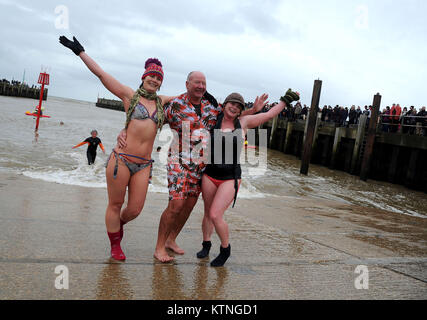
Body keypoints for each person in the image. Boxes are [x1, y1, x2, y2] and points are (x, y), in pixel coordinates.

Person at [118, 72, 267, 262]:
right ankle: (159, 247)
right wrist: (125, 129)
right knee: (176, 204)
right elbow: (150, 123)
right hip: (178, 162)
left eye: (203, 83)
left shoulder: (210, 108)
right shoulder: (175, 105)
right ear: (187, 84)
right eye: (197, 82)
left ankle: (171, 239)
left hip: (200, 166)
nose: (201, 86)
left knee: (189, 205)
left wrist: (253, 109)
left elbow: (232, 117)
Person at [59, 35, 176, 261]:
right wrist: (80, 52)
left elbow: (191, 96)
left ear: (161, 81)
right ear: (144, 77)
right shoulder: (129, 95)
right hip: (121, 160)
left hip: (143, 165)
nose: (154, 79)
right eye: (151, 75)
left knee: (134, 210)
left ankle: (117, 225)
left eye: (158, 77)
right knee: (114, 204)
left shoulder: (163, 102)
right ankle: (115, 245)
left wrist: (223, 102)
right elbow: (102, 74)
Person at [196, 90, 300, 267]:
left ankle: (225, 249)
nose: (234, 107)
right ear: (225, 104)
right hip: (210, 174)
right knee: (207, 213)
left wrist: (285, 100)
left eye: (238, 106)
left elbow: (268, 115)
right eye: (232, 103)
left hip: (230, 178)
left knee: (215, 214)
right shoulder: (214, 120)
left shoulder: (243, 123)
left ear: (240, 110)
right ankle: (206, 244)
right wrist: (252, 109)